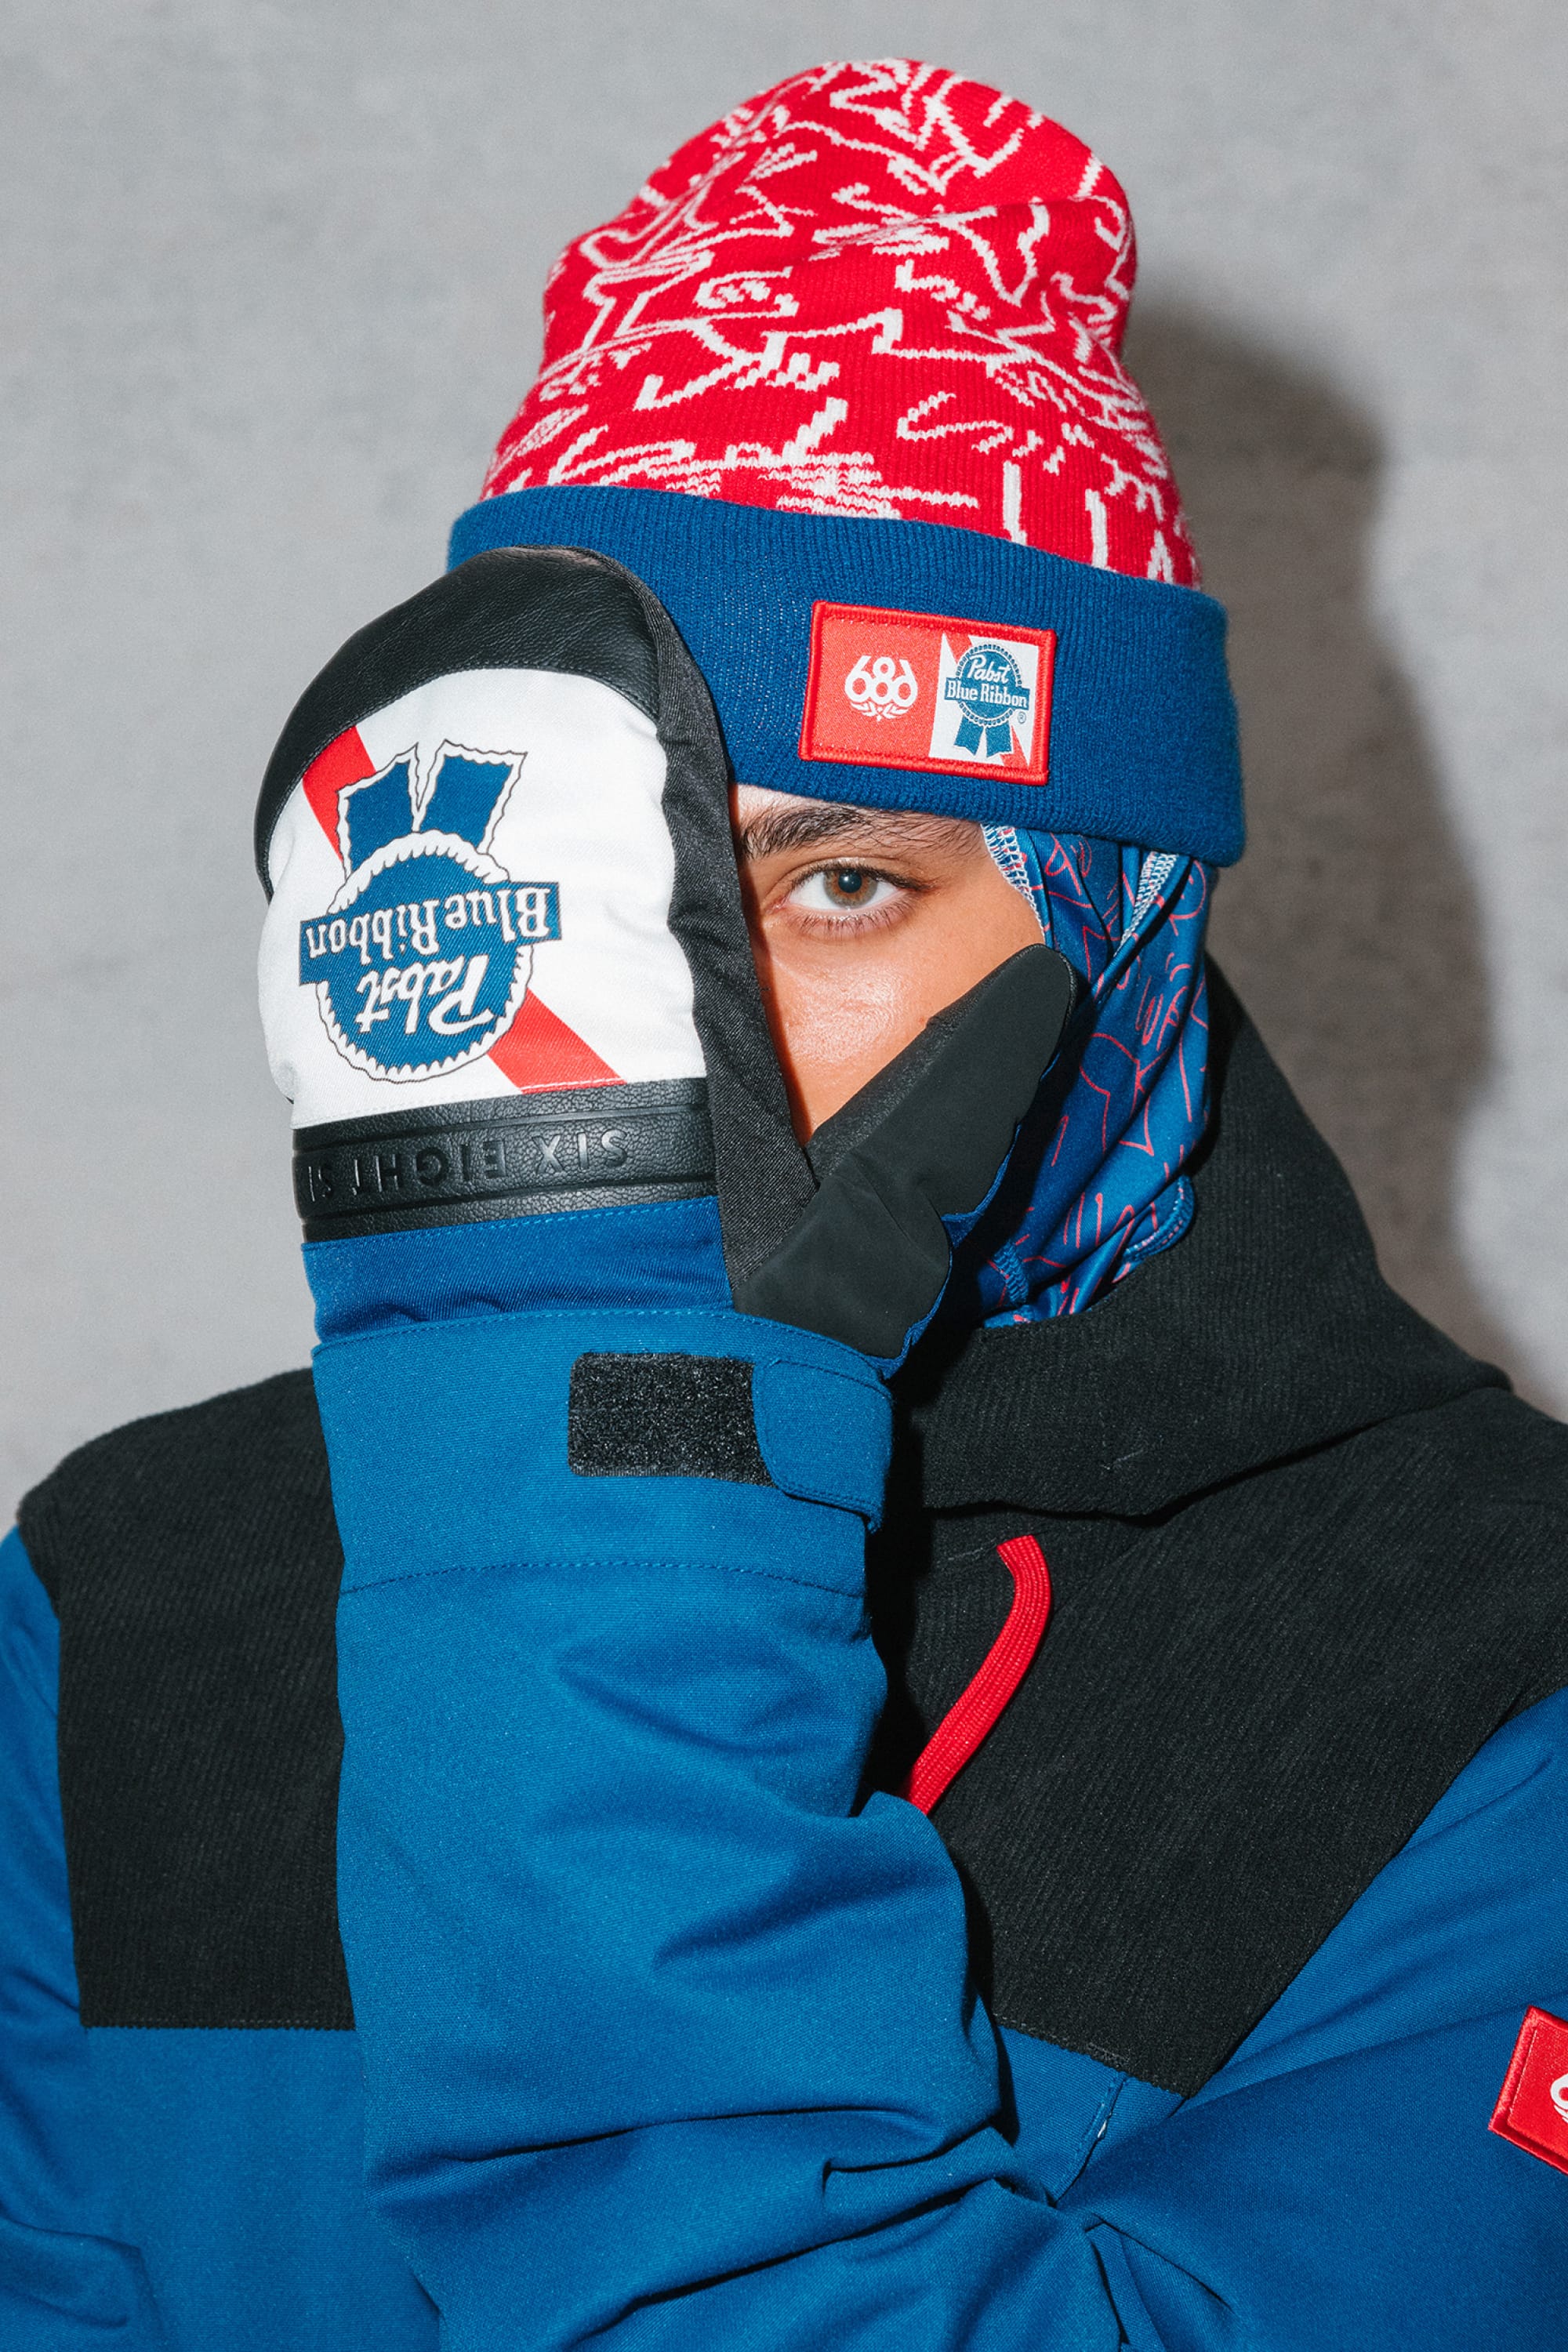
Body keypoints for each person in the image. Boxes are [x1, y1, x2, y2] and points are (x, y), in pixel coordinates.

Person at [4, 59, 1566, 2352]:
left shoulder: (1498, 1670)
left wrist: (601, 1458)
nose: (685, 1048)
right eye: (603, 894)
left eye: (835, 885)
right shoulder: (124, 1593)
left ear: (1114, 930)